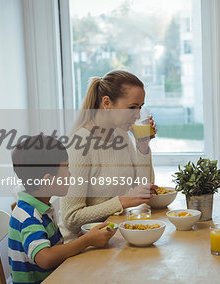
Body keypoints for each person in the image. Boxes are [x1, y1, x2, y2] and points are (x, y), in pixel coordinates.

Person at [60, 70, 157, 242]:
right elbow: (71, 219)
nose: (137, 115)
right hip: (81, 246)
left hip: (113, 235)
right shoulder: (79, 144)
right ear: (106, 102)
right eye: (132, 107)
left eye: (140, 107)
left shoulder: (121, 135)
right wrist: (122, 201)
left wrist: (143, 146)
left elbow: (144, 189)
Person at [9, 135, 114, 284]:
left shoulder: (41, 206)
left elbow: (51, 249)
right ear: (48, 180)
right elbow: (45, 258)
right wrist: (86, 241)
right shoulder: (28, 216)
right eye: (66, 169)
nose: (70, 174)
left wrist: (81, 239)